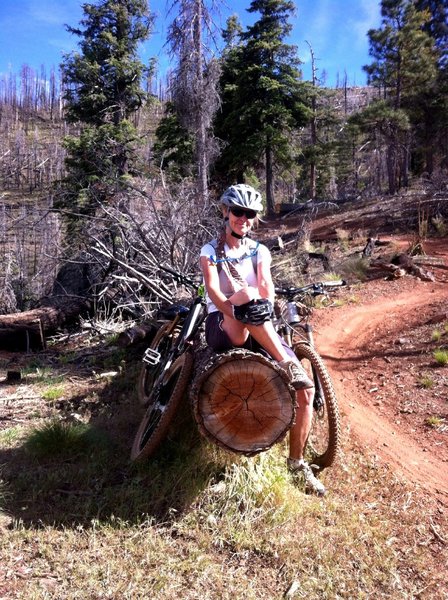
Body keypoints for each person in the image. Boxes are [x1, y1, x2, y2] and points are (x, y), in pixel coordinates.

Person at [199, 183, 326, 496]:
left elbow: (267, 287)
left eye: (249, 213)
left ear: (254, 218)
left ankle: (296, 464)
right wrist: (239, 305)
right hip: (223, 324)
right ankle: (285, 362)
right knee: (245, 296)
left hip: (257, 324)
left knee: (305, 392)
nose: (243, 218)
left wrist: (256, 299)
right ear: (226, 212)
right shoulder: (210, 251)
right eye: (238, 212)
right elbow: (214, 291)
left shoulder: (260, 251)